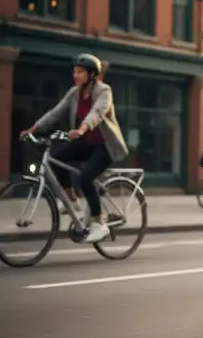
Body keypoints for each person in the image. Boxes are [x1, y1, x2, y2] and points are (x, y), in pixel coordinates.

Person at [20, 54, 129, 243]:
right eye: (74, 72)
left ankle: (99, 223)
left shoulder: (104, 91)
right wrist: (33, 129)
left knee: (86, 177)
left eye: (80, 72)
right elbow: (55, 112)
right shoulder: (74, 93)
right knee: (56, 158)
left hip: (105, 145)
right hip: (87, 142)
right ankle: (71, 199)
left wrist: (82, 129)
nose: (75, 75)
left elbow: (97, 113)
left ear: (92, 74)